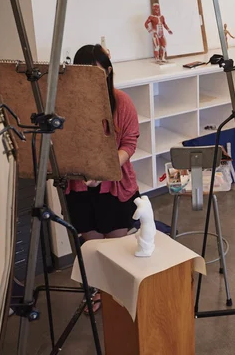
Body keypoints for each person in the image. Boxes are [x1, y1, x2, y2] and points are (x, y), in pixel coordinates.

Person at [65, 44, 141, 313]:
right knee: (94, 247)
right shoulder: (69, 104)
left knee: (117, 246)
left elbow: (129, 144)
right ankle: (99, 292)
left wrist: (104, 169)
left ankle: (117, 294)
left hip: (114, 183)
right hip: (80, 185)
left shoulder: (122, 102)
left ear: (108, 72)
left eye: (95, 75)